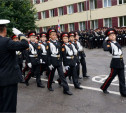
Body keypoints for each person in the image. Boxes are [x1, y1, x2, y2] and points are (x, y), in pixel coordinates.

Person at [0, 19, 29, 112]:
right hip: (8, 79)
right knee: (9, 106)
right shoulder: (6, 41)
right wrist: (20, 34)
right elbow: (25, 44)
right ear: (4, 30)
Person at [100, 28, 126, 97]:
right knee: (111, 77)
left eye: (114, 35)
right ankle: (104, 87)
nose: (113, 36)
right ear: (108, 37)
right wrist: (105, 40)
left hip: (120, 62)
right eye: (111, 35)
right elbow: (105, 48)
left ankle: (123, 92)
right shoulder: (109, 43)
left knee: (122, 78)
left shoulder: (116, 42)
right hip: (115, 63)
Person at [46, 28, 72, 95]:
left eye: (55, 35)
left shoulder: (59, 43)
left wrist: (65, 64)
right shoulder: (48, 43)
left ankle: (66, 89)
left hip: (59, 61)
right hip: (52, 62)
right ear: (50, 36)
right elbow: (48, 55)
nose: (54, 36)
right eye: (53, 35)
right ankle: (49, 86)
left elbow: (62, 54)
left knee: (62, 76)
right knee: (51, 75)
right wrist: (49, 64)